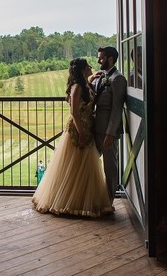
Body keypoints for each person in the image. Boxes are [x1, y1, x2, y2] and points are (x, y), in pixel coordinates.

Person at [32, 58, 114, 217]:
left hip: (88, 127)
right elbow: (74, 112)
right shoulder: (76, 87)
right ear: (83, 69)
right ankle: (67, 201)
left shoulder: (85, 84)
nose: (92, 68)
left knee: (84, 166)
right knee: (73, 164)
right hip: (78, 130)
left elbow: (87, 86)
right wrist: (81, 133)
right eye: (89, 67)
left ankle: (83, 200)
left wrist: (94, 76)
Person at [91, 46, 127, 205]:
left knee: (110, 167)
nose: (98, 60)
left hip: (107, 131)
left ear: (110, 59)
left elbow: (117, 107)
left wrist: (111, 133)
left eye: (101, 58)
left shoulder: (118, 79)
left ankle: (109, 202)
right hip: (95, 128)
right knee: (90, 163)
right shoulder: (101, 76)